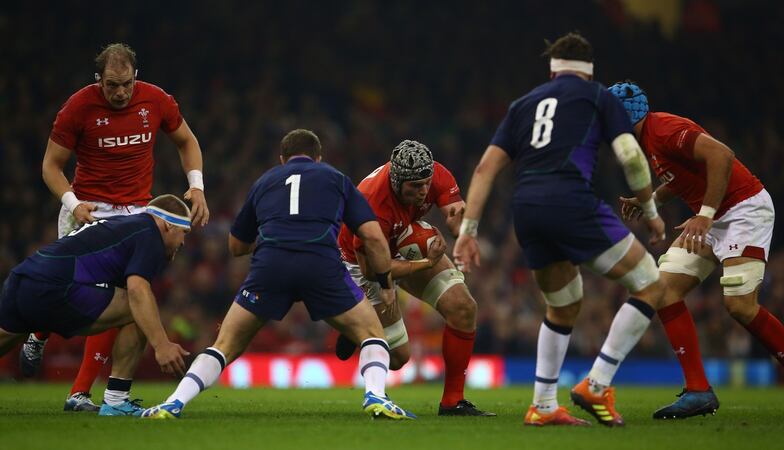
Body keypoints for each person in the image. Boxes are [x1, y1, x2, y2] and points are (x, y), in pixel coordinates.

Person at [453, 32, 667, 427]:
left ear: (552, 71)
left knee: (565, 302)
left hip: (527, 210)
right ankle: (598, 384)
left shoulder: (522, 105)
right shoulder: (599, 96)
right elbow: (629, 155)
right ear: (589, 70)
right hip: (570, 201)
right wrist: (650, 208)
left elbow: (485, 169)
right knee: (652, 283)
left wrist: (468, 230)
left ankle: (544, 405)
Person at [141, 129, 415, 420]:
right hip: (320, 263)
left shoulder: (265, 181)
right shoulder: (336, 178)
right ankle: (376, 396)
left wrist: (276, 238)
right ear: (318, 157)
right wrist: (385, 284)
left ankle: (174, 403)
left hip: (271, 265)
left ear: (282, 159)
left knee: (224, 345)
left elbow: (236, 246)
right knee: (372, 334)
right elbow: (373, 237)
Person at [19, 43, 210, 412]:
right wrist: (74, 204)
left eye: (125, 84)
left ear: (135, 76)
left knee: (123, 300)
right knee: (64, 294)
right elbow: (50, 166)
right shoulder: (78, 107)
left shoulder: (156, 100)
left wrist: (197, 185)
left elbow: (186, 140)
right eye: (111, 86)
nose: (119, 93)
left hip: (137, 214)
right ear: (99, 80)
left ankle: (82, 394)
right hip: (89, 210)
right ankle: (38, 333)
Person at [609, 81, 784, 422]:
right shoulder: (647, 141)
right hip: (710, 216)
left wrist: (705, 216)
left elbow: (722, 155)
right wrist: (650, 200)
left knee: (739, 306)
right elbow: (682, 178)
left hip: (743, 209)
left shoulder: (665, 129)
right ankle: (698, 390)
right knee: (663, 289)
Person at [335, 139, 495, 417]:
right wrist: (425, 263)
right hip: (364, 264)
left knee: (463, 307)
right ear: (396, 181)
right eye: (415, 187)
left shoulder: (435, 175)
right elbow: (375, 270)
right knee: (398, 358)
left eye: (426, 184)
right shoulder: (371, 202)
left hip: (405, 242)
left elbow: (455, 213)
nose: (423, 192)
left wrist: (462, 232)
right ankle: (354, 324)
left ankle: (453, 402)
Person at [0, 195, 193, 416]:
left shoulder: (124, 226)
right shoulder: (149, 233)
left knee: (7, 336)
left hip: (23, 278)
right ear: (168, 225)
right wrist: (161, 345)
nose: (184, 242)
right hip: (55, 288)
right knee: (138, 307)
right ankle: (117, 400)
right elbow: (138, 291)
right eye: (184, 232)